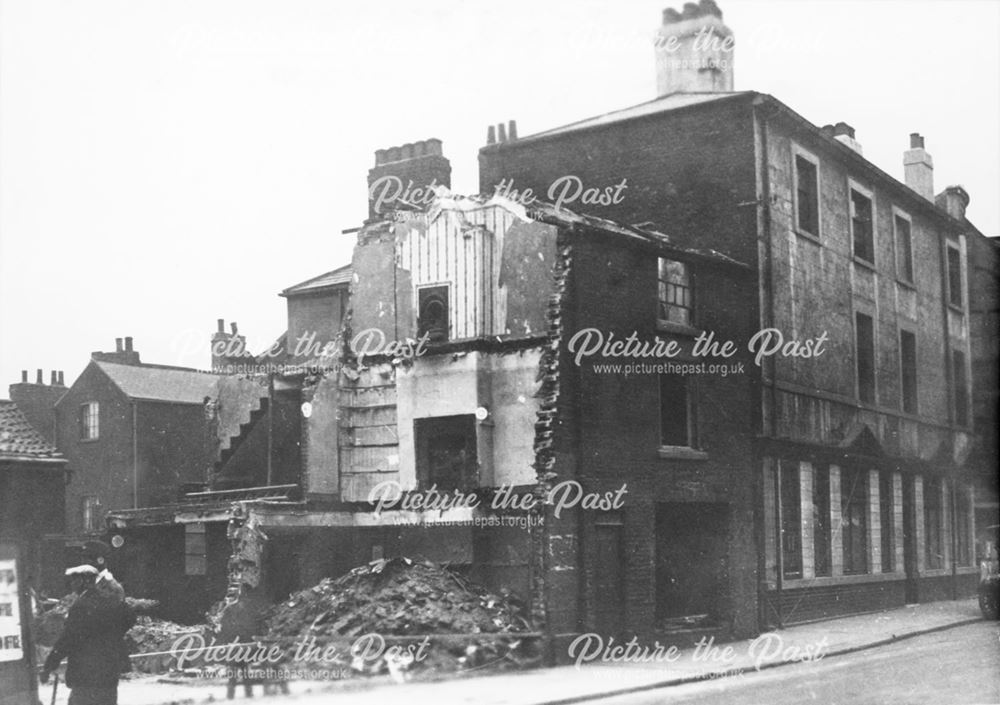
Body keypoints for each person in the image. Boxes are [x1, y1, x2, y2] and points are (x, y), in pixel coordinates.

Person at [41, 565, 135, 705]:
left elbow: (67, 640)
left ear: (84, 581)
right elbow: (129, 621)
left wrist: (49, 665)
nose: (71, 584)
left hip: (85, 674)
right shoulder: (111, 602)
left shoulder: (81, 606)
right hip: (109, 674)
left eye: (74, 580)